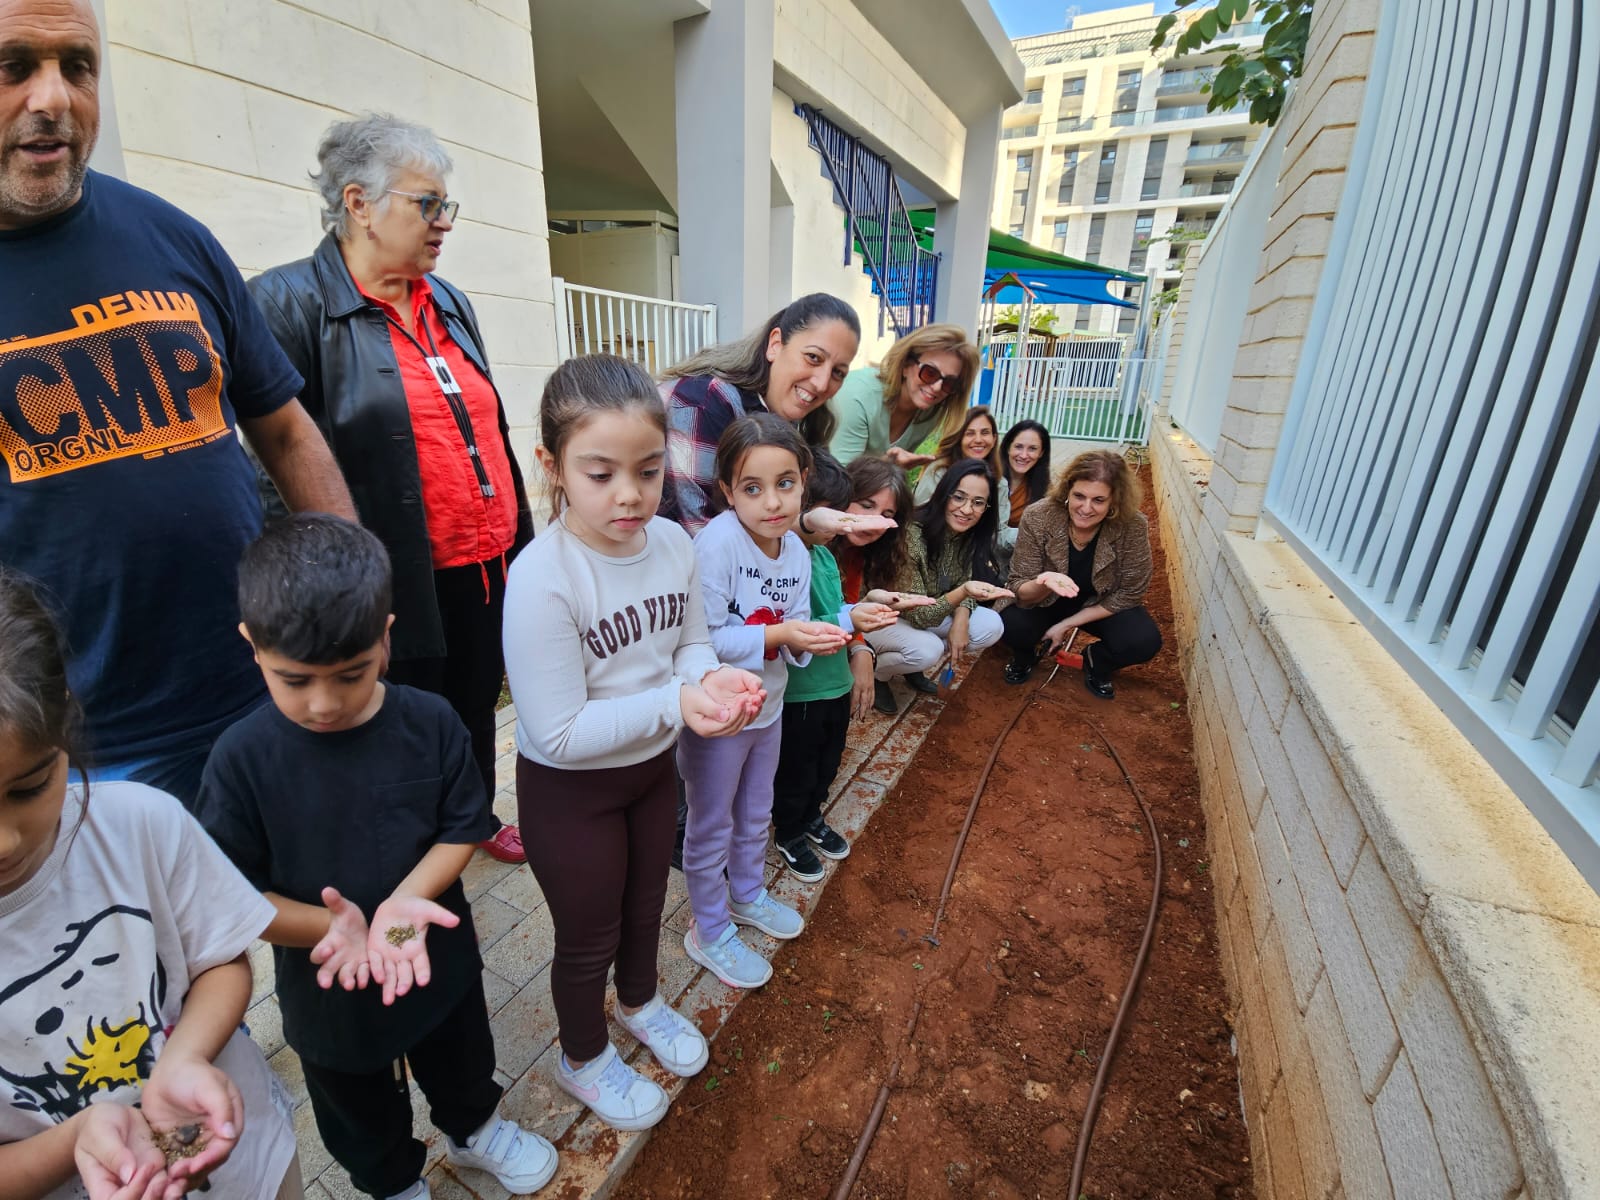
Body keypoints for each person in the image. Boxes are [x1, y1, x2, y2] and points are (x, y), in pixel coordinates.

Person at [0, 0, 354, 807]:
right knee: (152, 941)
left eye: (77, 66)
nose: (53, 97)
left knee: (321, 918)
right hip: (76, 754)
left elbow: (286, 430)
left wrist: (346, 607)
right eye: (15, 65)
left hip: (265, 692)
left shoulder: (174, 238)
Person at [195, 517, 557, 1200]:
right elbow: (234, 894)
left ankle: (474, 1130)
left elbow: (461, 827)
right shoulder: (240, 762)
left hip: (434, 952)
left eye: (351, 674)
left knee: (460, 1054)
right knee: (354, 1102)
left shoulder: (431, 723)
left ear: (386, 633)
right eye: (294, 680)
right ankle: (391, 1181)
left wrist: (404, 900)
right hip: (326, 980)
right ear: (252, 646)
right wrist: (327, 927)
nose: (324, 703)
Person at [247, 114, 531, 865]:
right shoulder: (288, 304)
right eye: (426, 205)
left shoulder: (449, 302)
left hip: (483, 561)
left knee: (474, 703)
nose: (443, 224)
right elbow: (271, 465)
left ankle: (469, 817)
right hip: (393, 577)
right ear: (359, 203)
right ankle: (413, 847)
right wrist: (332, 585)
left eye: (447, 208)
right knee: (399, 720)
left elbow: (486, 430)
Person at [503, 356, 764, 1130]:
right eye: (600, 472)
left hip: (652, 773)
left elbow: (686, 645)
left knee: (648, 903)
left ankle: (643, 1003)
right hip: (570, 794)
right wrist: (678, 701)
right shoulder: (543, 578)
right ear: (551, 466)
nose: (629, 494)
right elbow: (556, 731)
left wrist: (709, 680)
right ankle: (582, 1055)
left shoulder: (672, 546)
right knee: (589, 936)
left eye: (648, 471)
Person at [0, 569, 300, 1200]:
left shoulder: (140, 821)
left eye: (28, 788)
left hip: (249, 1168)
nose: (6, 841)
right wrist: (77, 1138)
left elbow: (220, 961)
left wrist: (185, 1056)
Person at [680, 415, 848, 988]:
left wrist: (834, 629)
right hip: (722, 717)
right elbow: (701, 639)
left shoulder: (797, 551)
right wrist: (780, 637)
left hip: (769, 710)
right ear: (727, 491)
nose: (771, 502)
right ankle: (707, 927)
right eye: (752, 487)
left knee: (755, 814)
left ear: (804, 481)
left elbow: (796, 626)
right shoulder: (717, 545)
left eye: (785, 484)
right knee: (710, 824)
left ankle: (747, 895)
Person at [771, 451, 927, 881]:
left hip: (835, 683)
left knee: (828, 759)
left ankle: (812, 816)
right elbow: (795, 625)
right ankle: (789, 830)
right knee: (797, 767)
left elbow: (840, 607)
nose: (850, 523)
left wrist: (872, 604)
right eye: (841, 511)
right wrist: (850, 619)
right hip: (803, 689)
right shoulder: (791, 555)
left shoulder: (823, 557)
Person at [658, 294, 861, 534]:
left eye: (838, 372)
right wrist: (804, 527)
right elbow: (705, 538)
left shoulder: (789, 418)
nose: (821, 383)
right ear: (775, 344)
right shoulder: (703, 402)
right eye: (813, 358)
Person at [1000, 449, 1163, 698]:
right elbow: (1018, 585)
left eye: (1098, 500)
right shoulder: (1038, 516)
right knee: (1010, 623)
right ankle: (1024, 656)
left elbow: (1131, 592)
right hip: (1045, 602)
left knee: (1142, 640)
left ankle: (1096, 662)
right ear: (1067, 491)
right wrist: (1044, 582)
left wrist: (1066, 625)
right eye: (1079, 496)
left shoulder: (1132, 525)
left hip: (1099, 603)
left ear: (1114, 501)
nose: (1085, 508)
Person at [892, 460, 1014, 680]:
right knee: (928, 650)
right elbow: (918, 615)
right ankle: (880, 672)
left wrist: (961, 619)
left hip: (934, 610)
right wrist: (964, 593)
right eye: (958, 497)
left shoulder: (967, 533)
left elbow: (963, 579)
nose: (967, 510)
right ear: (943, 495)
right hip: (893, 617)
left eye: (978, 503)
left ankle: (910, 662)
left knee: (991, 625)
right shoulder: (912, 535)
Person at [831, 457, 927, 715]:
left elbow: (844, 609)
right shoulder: (815, 546)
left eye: (887, 515)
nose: (874, 521)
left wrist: (861, 647)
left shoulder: (863, 553)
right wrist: (860, 648)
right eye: (866, 505)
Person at [828, 324, 980, 469]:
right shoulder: (858, 396)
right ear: (906, 365)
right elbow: (837, 480)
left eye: (949, 383)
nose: (937, 387)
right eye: (930, 373)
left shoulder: (931, 410)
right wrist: (889, 466)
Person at [912, 407, 1013, 553]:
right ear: (959, 438)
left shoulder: (999, 483)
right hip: (930, 550)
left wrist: (1031, 531)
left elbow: (998, 533)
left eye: (985, 433)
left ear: (994, 438)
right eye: (970, 433)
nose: (978, 440)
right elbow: (918, 521)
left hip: (971, 556)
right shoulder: (938, 472)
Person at [999, 419, 1052, 533]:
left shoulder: (1047, 490)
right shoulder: (988, 478)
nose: (1023, 455)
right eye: (1018, 446)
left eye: (1032, 449)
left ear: (1041, 453)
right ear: (1008, 447)